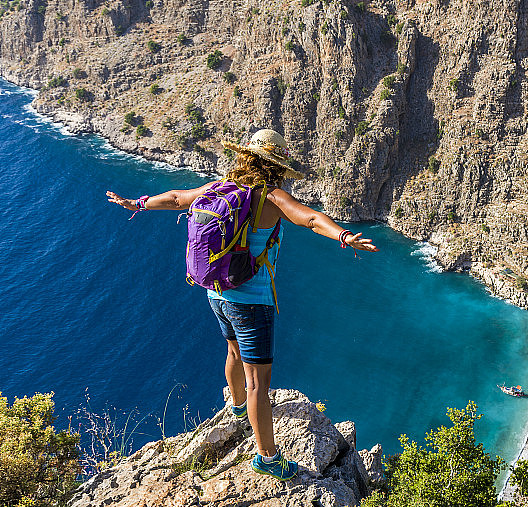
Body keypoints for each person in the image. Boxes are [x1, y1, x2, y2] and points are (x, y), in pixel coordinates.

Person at [106, 129, 378, 481]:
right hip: (251, 301)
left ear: (245, 158)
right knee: (259, 384)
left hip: (215, 291)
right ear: (276, 167)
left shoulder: (220, 188)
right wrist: (343, 235)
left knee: (233, 352)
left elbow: (175, 198)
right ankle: (266, 456)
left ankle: (236, 409)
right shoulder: (270, 197)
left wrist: (138, 203)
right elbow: (309, 218)